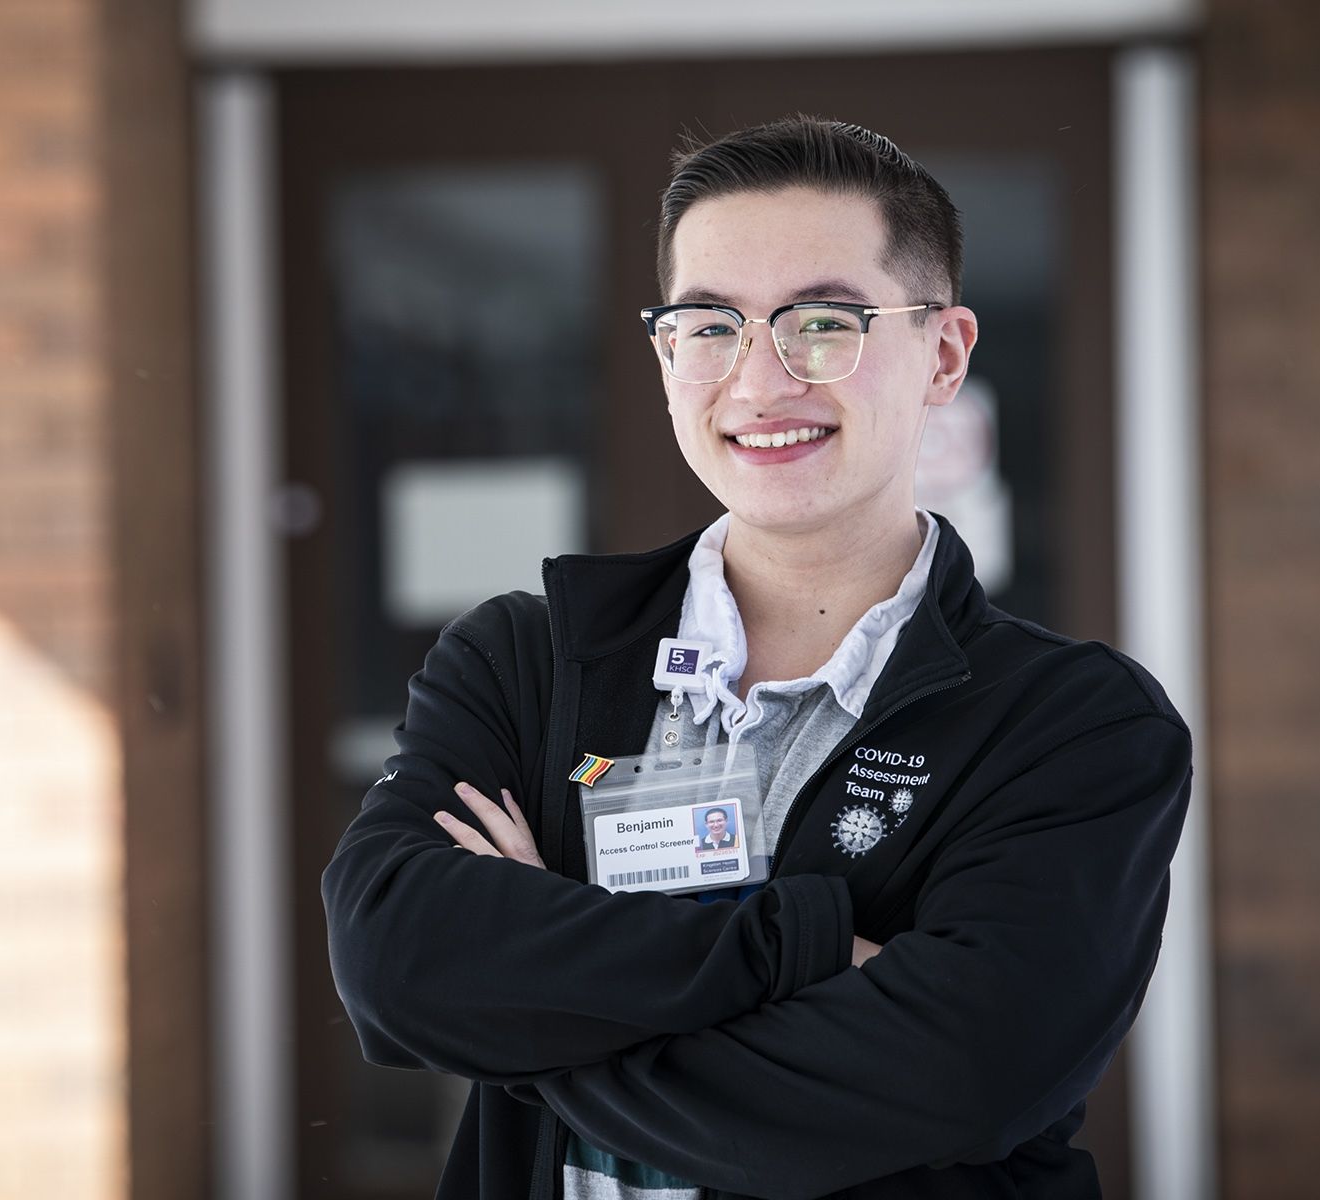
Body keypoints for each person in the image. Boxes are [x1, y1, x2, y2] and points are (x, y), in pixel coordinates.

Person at [322, 116, 1191, 1199]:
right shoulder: (527, 661)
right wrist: (810, 943)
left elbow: (959, 1080)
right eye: (711, 325)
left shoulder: (1076, 727)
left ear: (944, 354)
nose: (761, 381)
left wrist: (537, 1008)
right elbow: (397, 964)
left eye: (823, 323)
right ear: (664, 355)